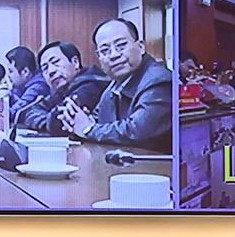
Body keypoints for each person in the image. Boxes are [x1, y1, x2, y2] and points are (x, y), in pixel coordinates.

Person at [57, 18, 173, 151]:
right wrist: (75, 120)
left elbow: (137, 130)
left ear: (141, 47)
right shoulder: (115, 85)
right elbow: (96, 122)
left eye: (121, 45)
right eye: (105, 50)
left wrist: (88, 130)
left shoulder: (158, 80)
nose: (113, 55)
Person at [17, 41, 109, 134]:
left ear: (75, 62)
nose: (51, 71)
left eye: (56, 62)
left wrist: (47, 121)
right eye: (45, 68)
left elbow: (61, 122)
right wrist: (49, 121)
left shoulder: (91, 85)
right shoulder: (61, 92)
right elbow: (30, 112)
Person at [3, 46, 47, 121]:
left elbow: (15, 113)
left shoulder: (38, 87)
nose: (8, 75)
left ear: (25, 72)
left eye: (11, 71)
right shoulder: (20, 85)